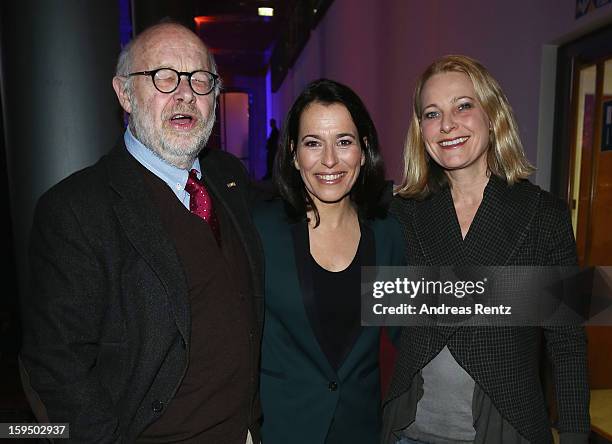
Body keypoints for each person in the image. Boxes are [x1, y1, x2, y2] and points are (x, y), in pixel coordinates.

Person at [20, 22, 264, 443]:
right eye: (164, 77)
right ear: (124, 93)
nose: (185, 94)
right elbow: (58, 370)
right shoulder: (76, 210)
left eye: (200, 80)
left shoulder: (229, 178)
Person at [384, 55, 590, 443]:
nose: (447, 125)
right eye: (432, 113)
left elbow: (567, 344)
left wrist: (576, 434)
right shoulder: (402, 213)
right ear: (420, 130)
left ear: (492, 114)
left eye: (463, 105)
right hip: (409, 433)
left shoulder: (544, 215)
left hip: (507, 429)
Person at [254, 79, 405, 444]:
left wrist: (546, 296)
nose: (330, 160)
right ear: (293, 152)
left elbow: (415, 330)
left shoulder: (388, 233)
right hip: (280, 433)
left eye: (344, 141)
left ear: (364, 148)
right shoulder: (260, 230)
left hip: (360, 432)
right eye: (312, 143)